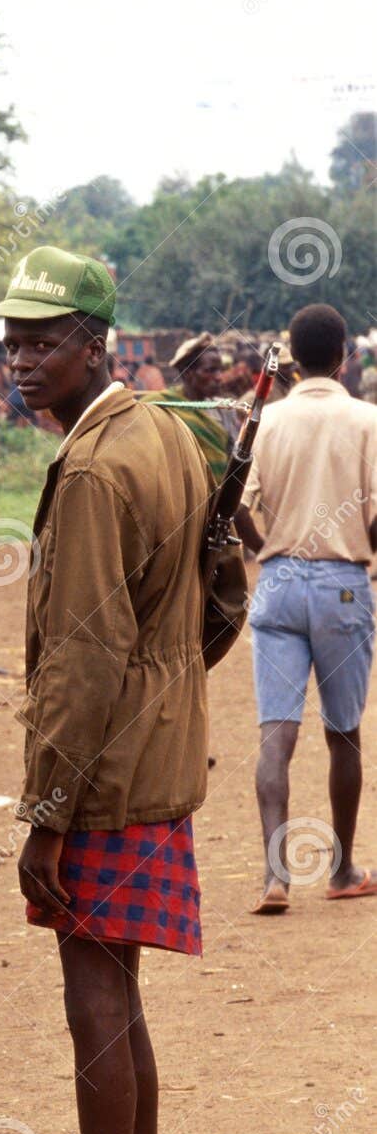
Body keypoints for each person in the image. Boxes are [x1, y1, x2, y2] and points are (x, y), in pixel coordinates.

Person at [0, 246, 212, 1134]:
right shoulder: (167, 433)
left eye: (41, 341)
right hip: (154, 756)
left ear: (94, 342)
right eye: (11, 341)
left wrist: (42, 811)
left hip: (103, 775)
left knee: (96, 1007)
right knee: (120, 1002)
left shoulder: (91, 468)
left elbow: (76, 657)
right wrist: (171, 697)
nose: (19, 361)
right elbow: (221, 592)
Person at [235, 304, 377, 913]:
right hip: (343, 583)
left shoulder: (264, 421)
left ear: (291, 357)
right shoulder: (367, 419)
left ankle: (276, 877)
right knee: (343, 734)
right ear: (344, 354)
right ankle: (342, 870)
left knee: (277, 735)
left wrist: (272, 552)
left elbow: (236, 508)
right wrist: (363, 550)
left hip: (279, 581)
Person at [145, 334, 228, 476]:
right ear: (189, 373)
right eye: (210, 370)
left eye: (220, 370)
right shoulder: (160, 405)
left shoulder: (224, 410)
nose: (219, 377)